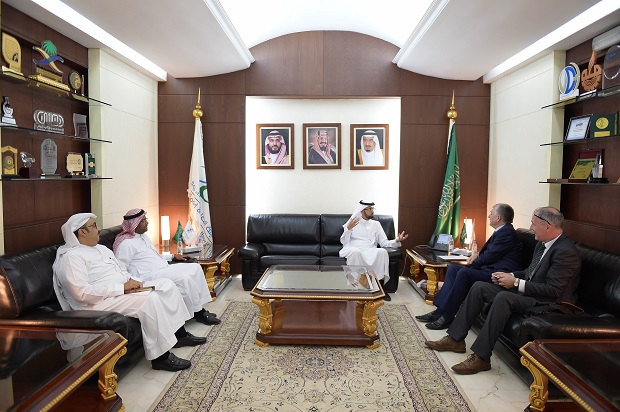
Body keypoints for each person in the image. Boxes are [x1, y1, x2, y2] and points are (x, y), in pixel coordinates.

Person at [424, 207, 581, 375]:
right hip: (532, 293)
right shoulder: (542, 244)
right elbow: (530, 272)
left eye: (533, 224)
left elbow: (554, 291)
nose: (530, 228)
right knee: (479, 287)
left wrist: (516, 283)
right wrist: (510, 275)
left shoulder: (565, 252)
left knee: (504, 297)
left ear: (547, 226)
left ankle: (481, 357)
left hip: (549, 303)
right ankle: (455, 339)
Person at [52, 213, 206, 372]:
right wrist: (122, 288)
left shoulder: (101, 249)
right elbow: (81, 294)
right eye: (94, 226)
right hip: (97, 303)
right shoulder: (71, 258)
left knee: (167, 285)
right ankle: (161, 358)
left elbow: (120, 271)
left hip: (120, 291)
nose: (99, 229)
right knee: (151, 300)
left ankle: (180, 334)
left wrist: (133, 282)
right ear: (82, 232)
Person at [416, 203, 523, 330]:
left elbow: (489, 256)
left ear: (498, 217)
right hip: (489, 269)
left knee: (464, 273)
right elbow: (491, 253)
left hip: (498, 275)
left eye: (491, 213)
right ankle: (439, 311)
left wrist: (471, 263)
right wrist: (476, 255)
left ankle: (447, 317)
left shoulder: (506, 233)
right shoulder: (502, 231)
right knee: (453, 269)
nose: (489, 216)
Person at [113, 208, 221, 326]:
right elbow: (120, 268)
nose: (147, 222)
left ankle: (198, 306)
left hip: (163, 267)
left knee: (195, 268)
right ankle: (199, 313)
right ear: (135, 224)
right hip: (149, 275)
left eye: (146, 219)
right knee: (185, 277)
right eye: (143, 221)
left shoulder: (143, 237)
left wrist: (173, 256)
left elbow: (155, 256)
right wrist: (134, 282)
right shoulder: (125, 244)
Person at [340, 200, 408, 301]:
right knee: (355, 252)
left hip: (370, 249)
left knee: (382, 252)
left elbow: (384, 242)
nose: (372, 211)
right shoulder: (352, 223)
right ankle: (357, 289)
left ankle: (380, 288)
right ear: (362, 210)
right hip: (354, 248)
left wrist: (397, 240)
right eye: (370, 209)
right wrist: (348, 229)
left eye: (373, 208)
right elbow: (344, 242)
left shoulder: (376, 224)